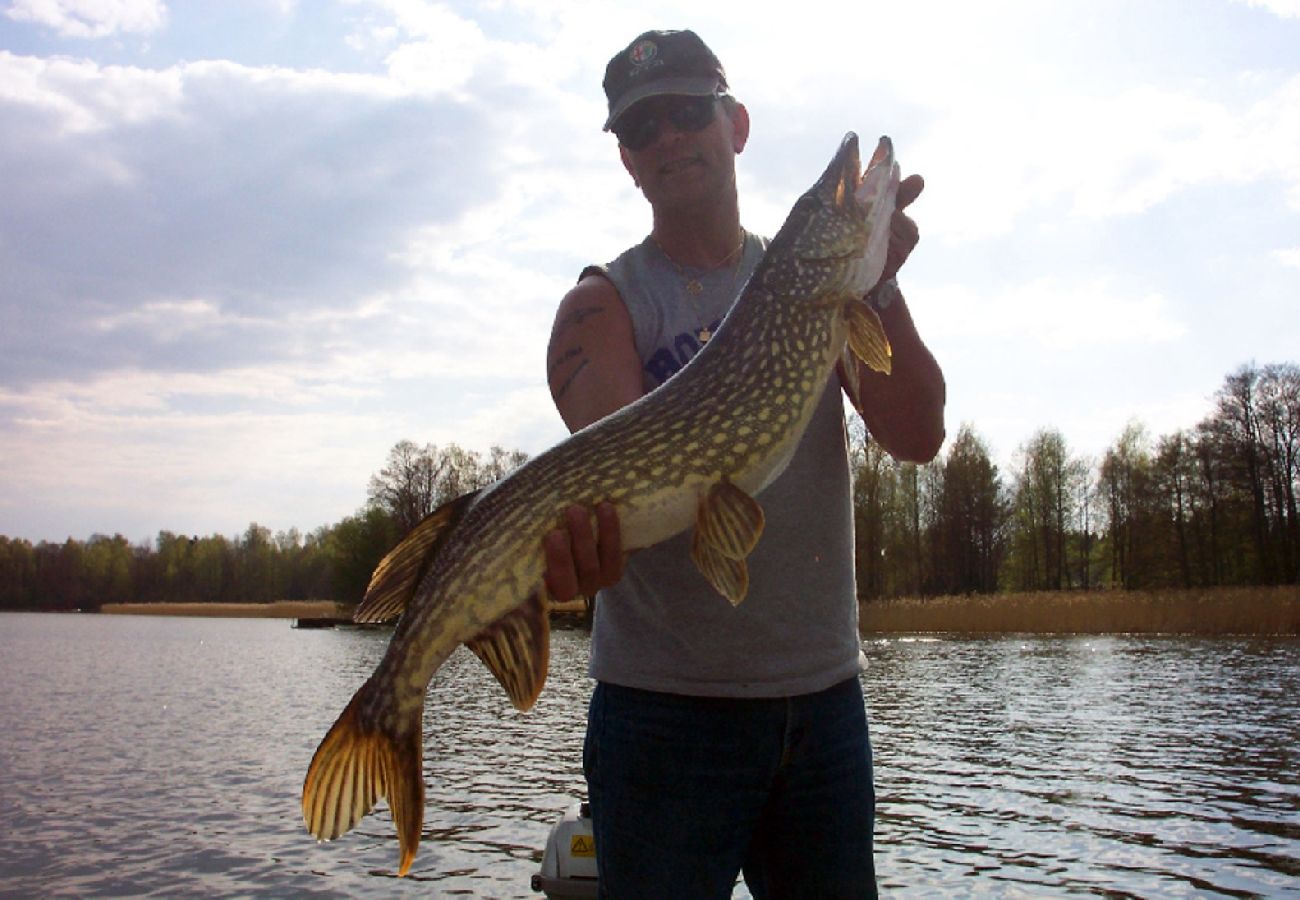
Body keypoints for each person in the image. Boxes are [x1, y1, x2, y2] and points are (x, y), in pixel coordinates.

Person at [541, 29, 945, 899]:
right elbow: (623, 491)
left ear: (738, 125)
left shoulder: (810, 288)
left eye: (689, 111)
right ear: (627, 162)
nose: (669, 137)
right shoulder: (599, 306)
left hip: (824, 704)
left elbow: (917, 435)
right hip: (662, 718)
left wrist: (873, 283)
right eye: (642, 128)